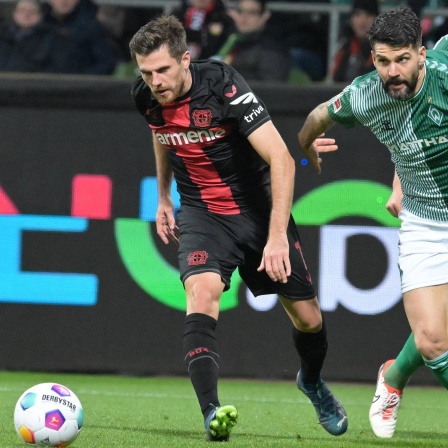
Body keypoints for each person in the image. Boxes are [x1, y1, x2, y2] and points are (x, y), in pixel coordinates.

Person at [129, 14, 348, 442]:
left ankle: (312, 382)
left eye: (163, 70)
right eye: (146, 72)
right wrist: (162, 197)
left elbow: (282, 160)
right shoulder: (145, 95)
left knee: (308, 320)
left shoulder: (224, 85)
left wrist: (277, 235)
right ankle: (211, 412)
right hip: (200, 213)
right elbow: (161, 132)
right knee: (201, 294)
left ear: (186, 60)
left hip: (258, 212)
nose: (155, 81)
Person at [297, 7, 448, 439]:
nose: (393, 71)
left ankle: (394, 377)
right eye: (383, 61)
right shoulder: (365, 95)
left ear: (421, 54)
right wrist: (309, 149)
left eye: (402, 59)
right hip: (424, 222)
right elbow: (314, 119)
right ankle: (393, 376)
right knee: (433, 340)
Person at [215, 0, 290, 82]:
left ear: (264, 16)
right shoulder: (231, 40)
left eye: (251, 13)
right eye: (240, 11)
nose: (244, 18)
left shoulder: (273, 50)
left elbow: (271, 88)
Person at [42, 0, 117, 75]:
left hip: (80, 83)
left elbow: (106, 63)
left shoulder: (91, 27)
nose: (64, 1)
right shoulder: (42, 26)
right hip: (43, 83)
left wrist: (80, 79)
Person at [0, 0, 70, 73]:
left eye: (32, 11)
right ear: (14, 13)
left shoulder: (53, 39)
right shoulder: (2, 36)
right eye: (22, 10)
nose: (27, 15)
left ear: (40, 15)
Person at [331, 0, 379, 83]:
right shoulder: (344, 48)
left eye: (368, 15)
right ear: (351, 19)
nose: (362, 21)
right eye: (357, 15)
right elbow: (334, 82)